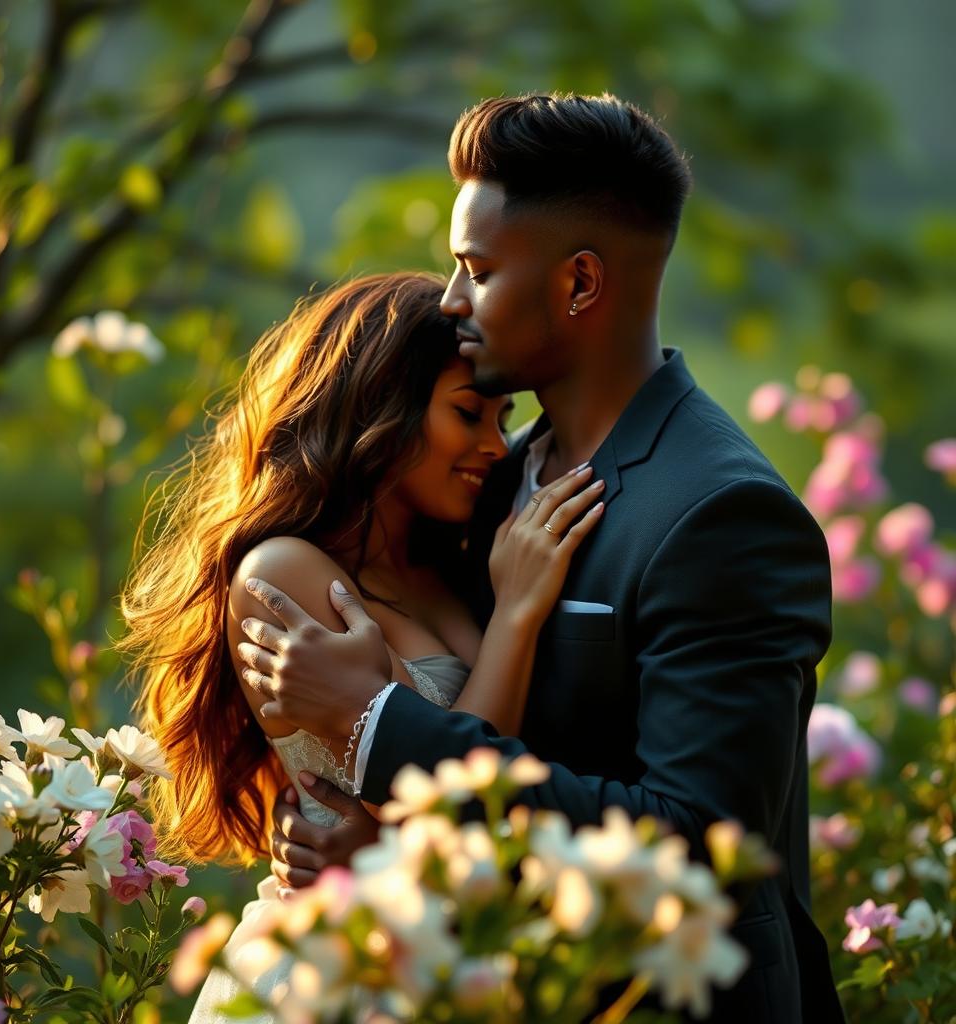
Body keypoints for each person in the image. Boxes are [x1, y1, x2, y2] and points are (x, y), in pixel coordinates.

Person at [239, 94, 845, 1023]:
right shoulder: (487, 482)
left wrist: (376, 730)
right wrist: (373, 837)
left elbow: (695, 847)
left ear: (580, 285)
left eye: (476, 270)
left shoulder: (723, 514)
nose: (449, 300)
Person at [118, 271, 603, 1022]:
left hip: (442, 964)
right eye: (468, 413)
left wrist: (382, 833)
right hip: (329, 974)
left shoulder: (449, 565)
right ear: (381, 405)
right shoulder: (284, 573)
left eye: (502, 418)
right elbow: (463, 777)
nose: (493, 446)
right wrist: (515, 618)